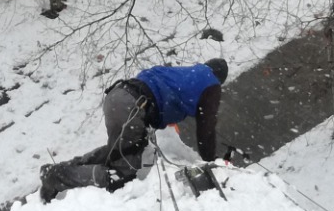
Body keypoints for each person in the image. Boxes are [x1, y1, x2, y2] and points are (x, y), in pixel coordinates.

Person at [40, 58, 228, 201]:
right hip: (133, 107)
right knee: (121, 173)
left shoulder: (186, 73)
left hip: (119, 95)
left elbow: (153, 83)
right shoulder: (211, 84)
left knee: (120, 150)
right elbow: (206, 129)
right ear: (220, 79)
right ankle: (57, 177)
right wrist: (210, 162)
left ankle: (65, 168)